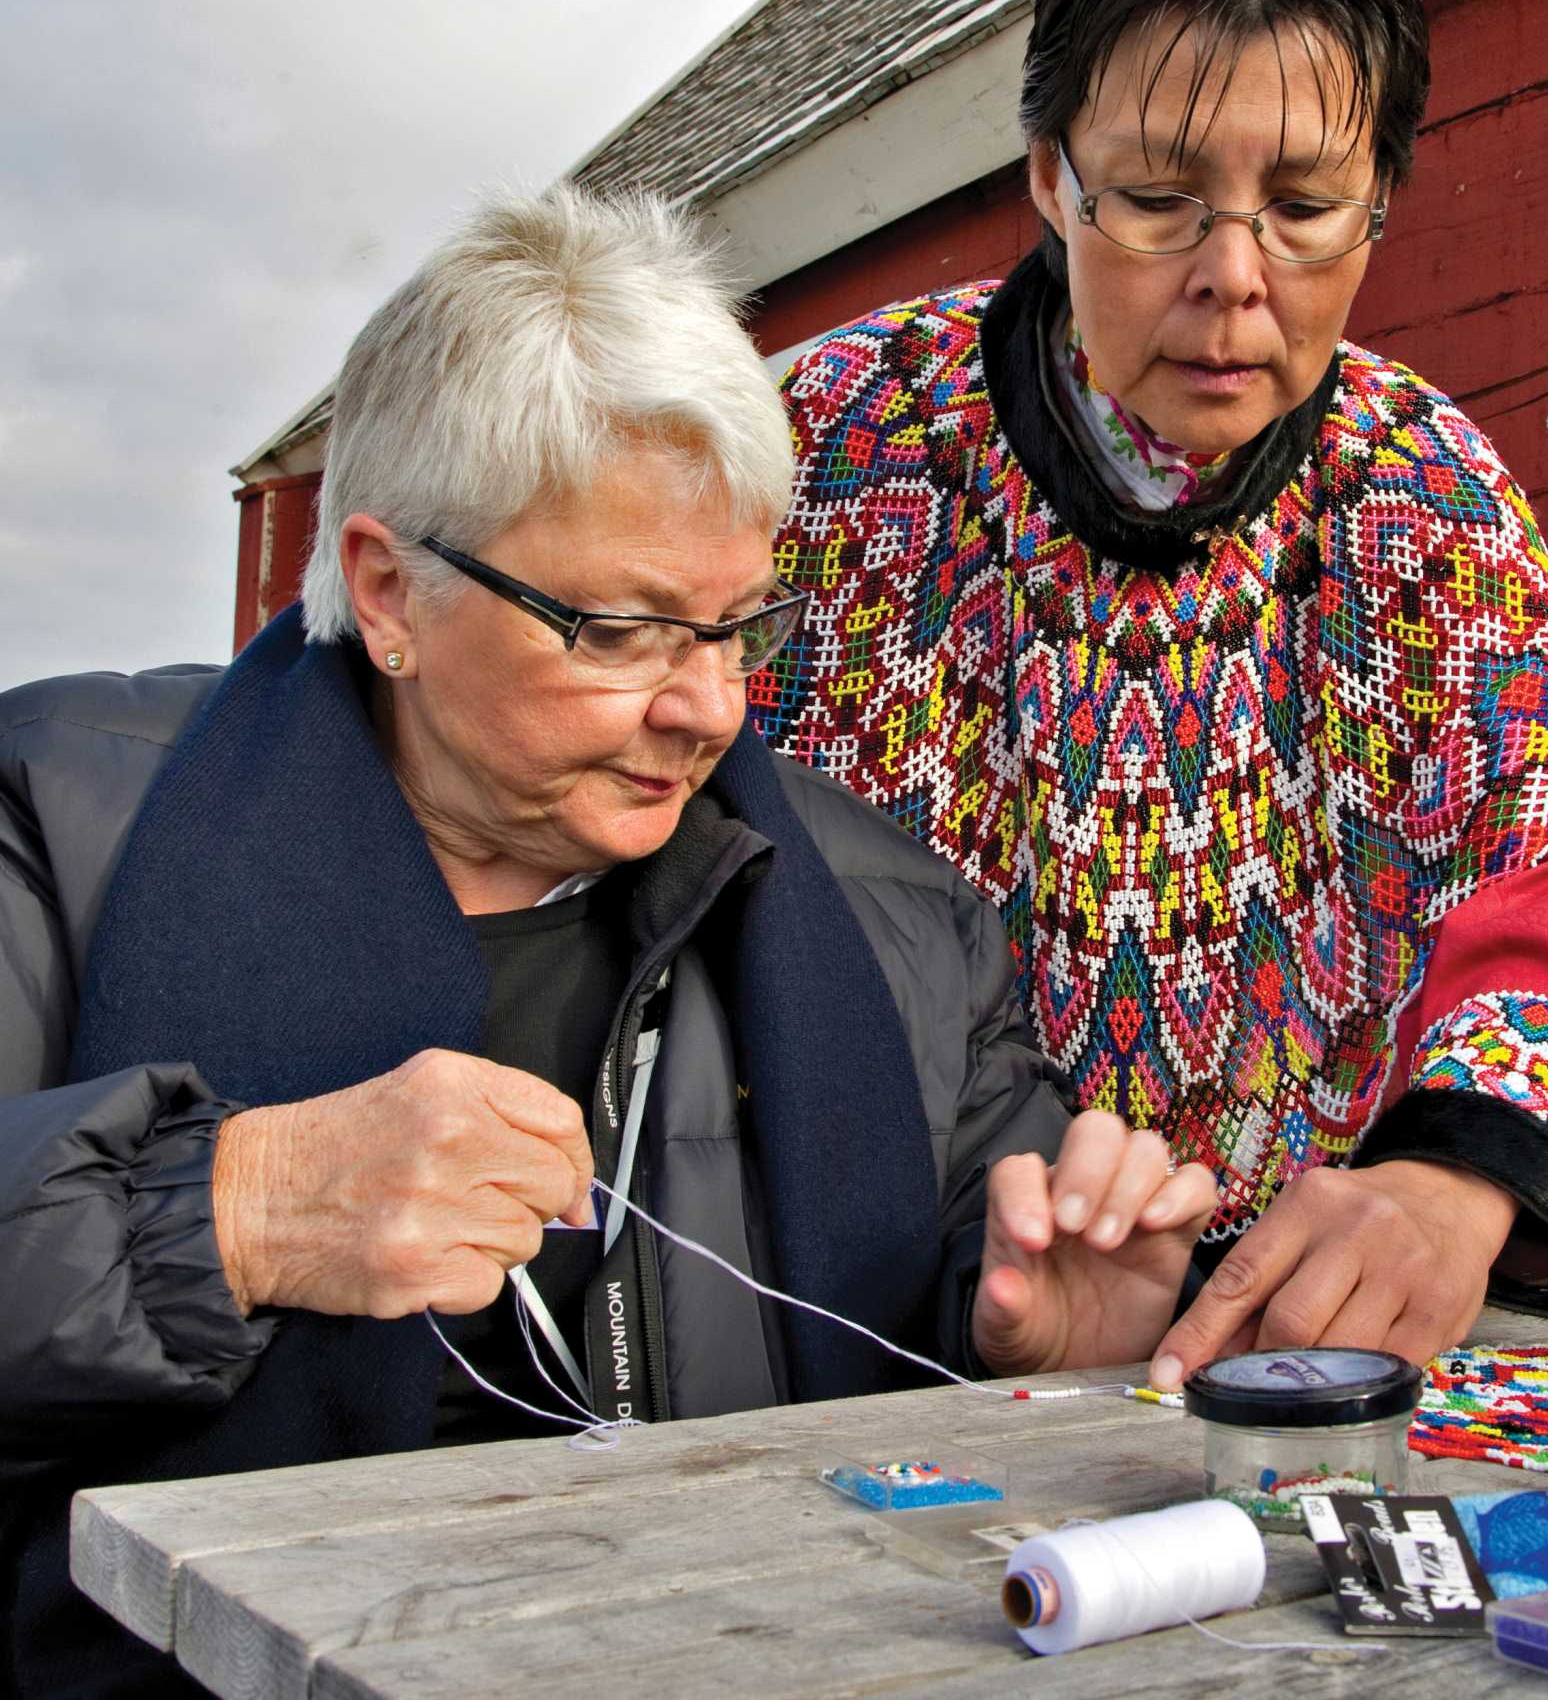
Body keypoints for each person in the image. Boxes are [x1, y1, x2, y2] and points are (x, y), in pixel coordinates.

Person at [0, 186, 1218, 1698]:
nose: (707, 707)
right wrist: (232, 1214)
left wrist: (1048, 1367)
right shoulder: (55, 828)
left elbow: (985, 1377)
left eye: (735, 629)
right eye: (621, 631)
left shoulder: (896, 919)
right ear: (391, 590)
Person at [762, 0, 1548, 1387]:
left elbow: (1539, 876)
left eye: (1306, 208)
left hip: (1303, 1320)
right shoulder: (828, 453)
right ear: (1049, 177)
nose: (1235, 281)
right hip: (877, 1298)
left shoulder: (1427, 503)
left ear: (1384, 201)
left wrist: (1452, 1182)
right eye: (1160, 202)